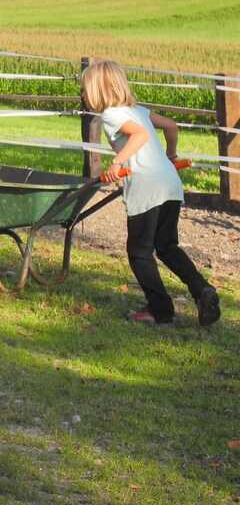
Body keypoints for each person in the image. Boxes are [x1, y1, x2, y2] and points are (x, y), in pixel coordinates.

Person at [81, 60, 220, 327]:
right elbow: (171, 125)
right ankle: (202, 289)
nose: (83, 96)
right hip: (169, 183)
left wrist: (117, 162)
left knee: (139, 252)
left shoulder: (111, 115)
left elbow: (141, 136)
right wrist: (171, 155)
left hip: (146, 187)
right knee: (166, 246)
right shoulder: (138, 110)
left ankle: (161, 311)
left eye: (85, 90)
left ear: (99, 89)